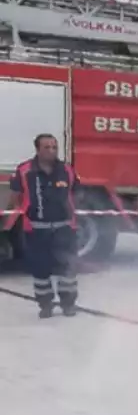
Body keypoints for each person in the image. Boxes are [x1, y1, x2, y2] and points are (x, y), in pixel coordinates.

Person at [7, 133, 81, 318]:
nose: (52, 150)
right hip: (36, 230)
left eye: (54, 147)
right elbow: (16, 195)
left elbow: (77, 193)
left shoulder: (67, 170)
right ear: (37, 149)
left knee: (67, 270)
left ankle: (68, 305)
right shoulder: (24, 170)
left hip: (64, 229)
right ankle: (45, 305)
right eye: (47, 147)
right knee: (41, 271)